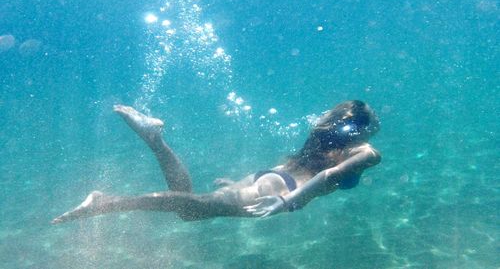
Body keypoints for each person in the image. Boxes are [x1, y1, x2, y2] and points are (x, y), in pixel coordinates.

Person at [51, 100, 381, 224]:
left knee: (189, 210)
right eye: (375, 123)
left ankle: (155, 139)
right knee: (193, 206)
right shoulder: (365, 152)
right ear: (363, 127)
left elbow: (307, 168)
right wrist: (286, 202)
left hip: (272, 178)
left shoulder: (324, 139)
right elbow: (327, 178)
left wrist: (246, 187)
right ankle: (106, 202)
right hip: (283, 189)